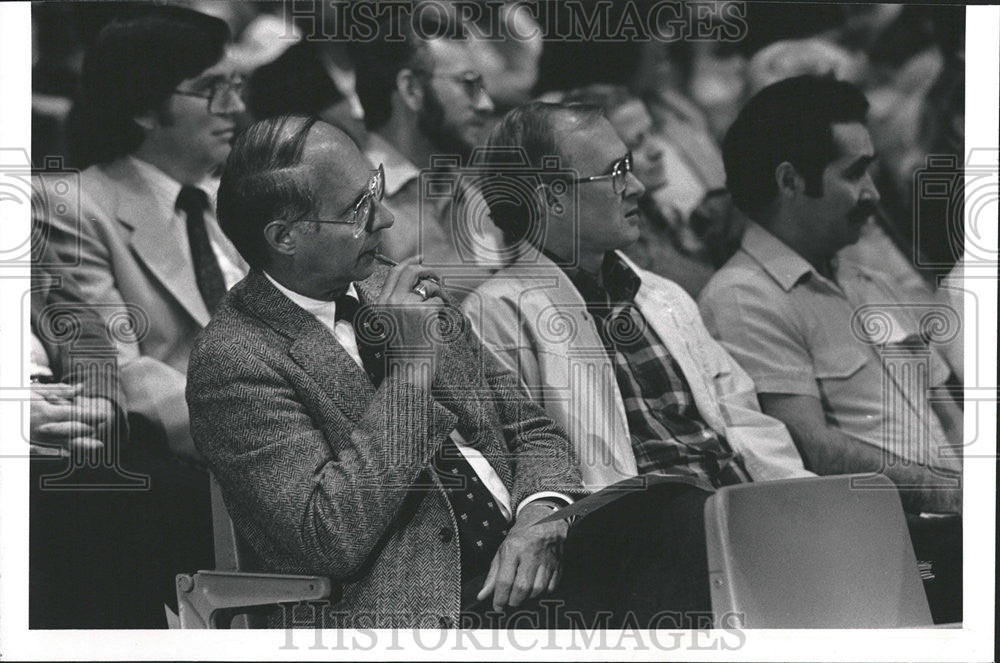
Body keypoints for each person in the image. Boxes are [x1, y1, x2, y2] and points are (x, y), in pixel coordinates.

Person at [187, 114, 718, 629]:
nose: (385, 219)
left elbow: (530, 429)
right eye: (357, 209)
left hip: (532, 561)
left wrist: (540, 516)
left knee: (684, 521)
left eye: (375, 188)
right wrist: (413, 370)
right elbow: (330, 534)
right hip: (421, 606)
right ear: (285, 237)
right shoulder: (237, 359)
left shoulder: (391, 285)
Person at [698, 75, 962, 621]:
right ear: (791, 180)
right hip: (889, 551)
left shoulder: (870, 280)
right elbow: (810, 447)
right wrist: (955, 493)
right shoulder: (743, 297)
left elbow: (947, 411)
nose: (873, 193)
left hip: (957, 525)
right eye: (855, 173)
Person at [463, 102, 812, 491]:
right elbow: (520, 468)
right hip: (644, 530)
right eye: (615, 173)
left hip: (744, 509)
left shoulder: (662, 295)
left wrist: (800, 500)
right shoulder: (495, 314)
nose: (636, 187)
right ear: (552, 199)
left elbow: (747, 425)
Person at [32, 6, 248, 626]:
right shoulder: (75, 204)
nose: (234, 106)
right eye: (212, 89)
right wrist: (268, 427)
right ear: (143, 107)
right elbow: (118, 370)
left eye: (237, 86)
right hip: (197, 458)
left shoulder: (236, 198)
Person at [351, 3, 503, 285]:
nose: (486, 105)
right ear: (411, 89)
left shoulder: (473, 190)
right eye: (469, 84)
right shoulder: (351, 204)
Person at [562, 84, 716, 296]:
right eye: (635, 143)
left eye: (651, 132)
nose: (656, 150)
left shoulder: (660, 214)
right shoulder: (615, 247)